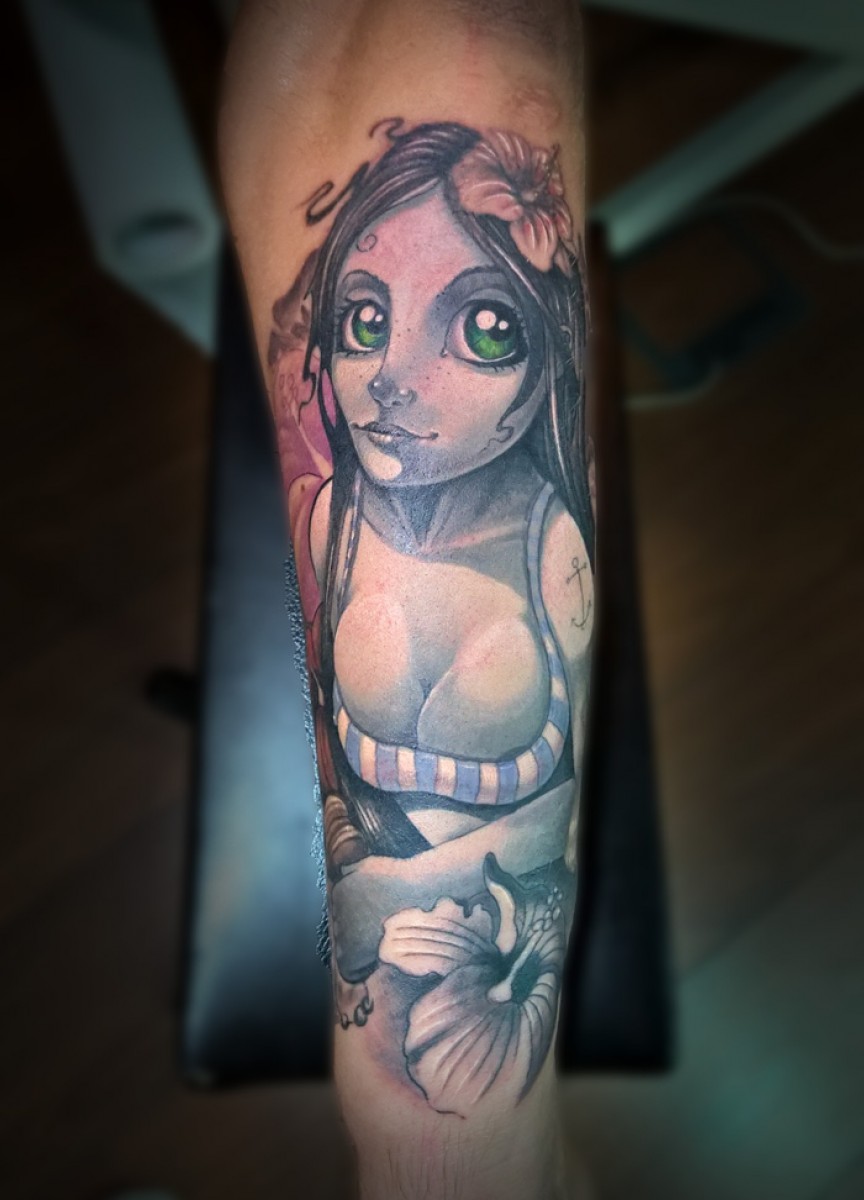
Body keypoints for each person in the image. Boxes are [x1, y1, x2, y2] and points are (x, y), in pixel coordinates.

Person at [221, 1, 592, 1195]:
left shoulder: (547, 552)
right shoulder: (340, 517)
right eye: (364, 319)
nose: (390, 381)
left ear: (543, 361)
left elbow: (546, 814)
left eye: (481, 328)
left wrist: (467, 1151)